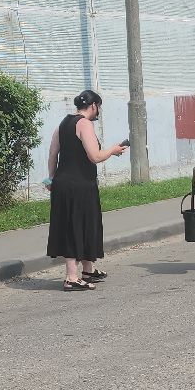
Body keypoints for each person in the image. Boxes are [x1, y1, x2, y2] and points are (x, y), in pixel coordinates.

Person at [46, 90, 127, 292]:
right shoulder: (84, 124)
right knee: (76, 227)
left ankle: (88, 269)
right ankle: (71, 277)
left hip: (64, 184)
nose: (98, 111)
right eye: (99, 107)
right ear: (94, 106)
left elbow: (52, 153)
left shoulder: (63, 124)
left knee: (84, 225)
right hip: (79, 186)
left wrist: (51, 178)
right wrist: (113, 150)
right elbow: (95, 156)